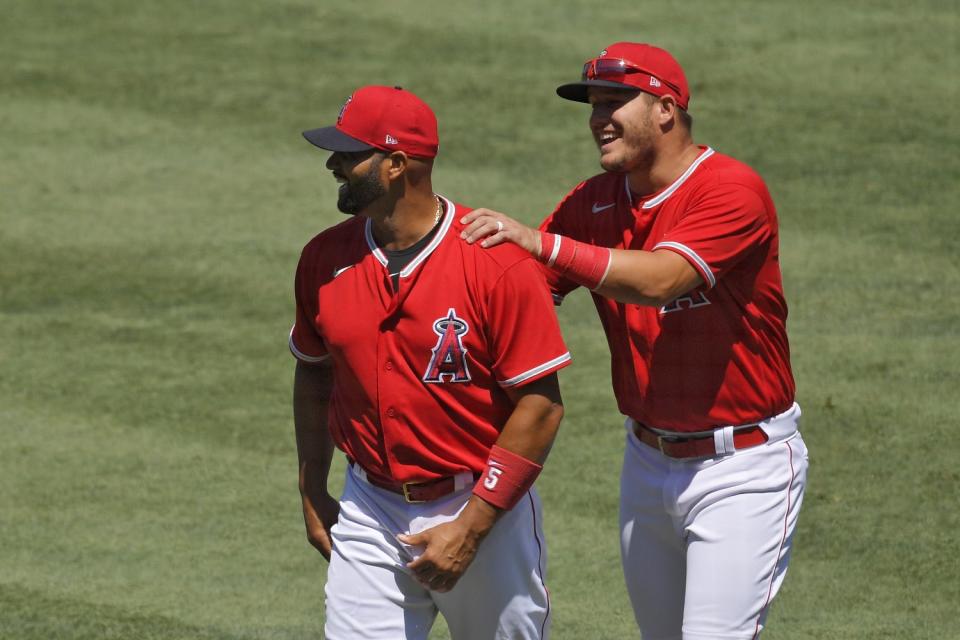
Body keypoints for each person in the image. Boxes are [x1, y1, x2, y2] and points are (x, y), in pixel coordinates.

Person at [460, 43, 809, 639]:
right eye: (594, 103)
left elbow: (662, 279)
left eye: (616, 101)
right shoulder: (592, 201)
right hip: (646, 462)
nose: (599, 117)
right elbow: (520, 292)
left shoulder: (729, 189)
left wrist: (539, 242)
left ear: (666, 109)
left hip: (742, 468)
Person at [290, 85, 571, 640]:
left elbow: (539, 407)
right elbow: (314, 370)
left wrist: (472, 526)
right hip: (369, 503)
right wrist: (312, 488)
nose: (333, 165)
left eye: (350, 155)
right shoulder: (323, 258)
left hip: (481, 504)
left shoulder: (495, 265)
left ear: (396, 164)